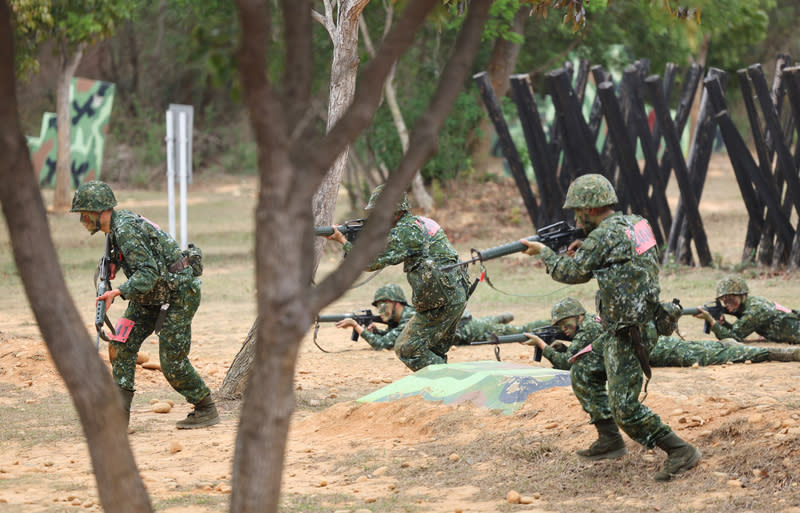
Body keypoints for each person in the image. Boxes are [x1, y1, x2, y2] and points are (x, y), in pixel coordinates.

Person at [519, 173, 700, 481]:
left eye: (577, 211)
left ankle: (680, 450)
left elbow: (572, 273)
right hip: (632, 323)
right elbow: (622, 259)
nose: (576, 218)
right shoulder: (636, 224)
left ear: (590, 210)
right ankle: (610, 440)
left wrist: (545, 254)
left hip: (631, 333)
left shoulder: (603, 236)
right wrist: (589, 246)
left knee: (625, 409)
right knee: (583, 367)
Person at [71, 181, 219, 429]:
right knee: (121, 344)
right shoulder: (116, 228)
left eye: (85, 214)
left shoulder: (126, 229)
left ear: (101, 211)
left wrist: (117, 292)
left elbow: (148, 274)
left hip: (178, 294)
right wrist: (115, 262)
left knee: (172, 362)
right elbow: (143, 263)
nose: (82, 220)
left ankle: (205, 408)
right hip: (150, 295)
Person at [326, 185, 469, 371]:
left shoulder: (406, 231)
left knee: (406, 348)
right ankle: (444, 391)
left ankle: (451, 384)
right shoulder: (419, 223)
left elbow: (370, 262)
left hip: (441, 302)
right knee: (432, 350)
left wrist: (343, 242)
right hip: (453, 296)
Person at [525, 298, 800, 375]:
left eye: (566, 323)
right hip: (655, 348)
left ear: (579, 317)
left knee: (720, 355)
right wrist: (560, 344)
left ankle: (784, 354)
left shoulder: (588, 331)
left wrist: (544, 348)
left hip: (661, 351)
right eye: (560, 326)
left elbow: (570, 364)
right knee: (706, 350)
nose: (564, 329)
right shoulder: (588, 327)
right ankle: (729, 344)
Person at [335, 283, 543, 350]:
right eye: (378, 306)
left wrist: (357, 327)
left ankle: (548, 324)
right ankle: (501, 317)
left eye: (384, 305)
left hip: (466, 330)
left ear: (397, 303)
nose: (381, 310)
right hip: (460, 324)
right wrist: (377, 330)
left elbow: (386, 344)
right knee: (491, 321)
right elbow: (390, 336)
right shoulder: (400, 318)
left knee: (517, 332)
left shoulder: (409, 317)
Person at [695, 275, 800, 344]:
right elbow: (740, 329)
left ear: (742, 295)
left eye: (731, 299)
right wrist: (724, 324)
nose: (727, 304)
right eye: (724, 301)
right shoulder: (752, 302)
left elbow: (734, 337)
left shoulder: (754, 310)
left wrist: (712, 322)